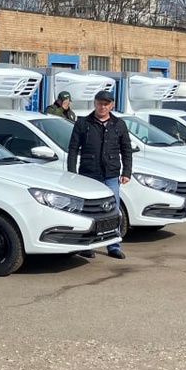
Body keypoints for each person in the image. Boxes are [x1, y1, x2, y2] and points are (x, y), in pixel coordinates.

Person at [66, 89, 132, 260]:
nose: (102, 107)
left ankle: (114, 246)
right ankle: (88, 246)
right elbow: (73, 149)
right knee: (89, 211)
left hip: (111, 175)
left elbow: (126, 150)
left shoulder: (119, 124)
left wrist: (126, 172)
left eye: (106, 104)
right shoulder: (83, 123)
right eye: (99, 103)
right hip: (88, 174)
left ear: (112, 105)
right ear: (94, 103)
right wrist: (72, 173)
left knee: (113, 211)